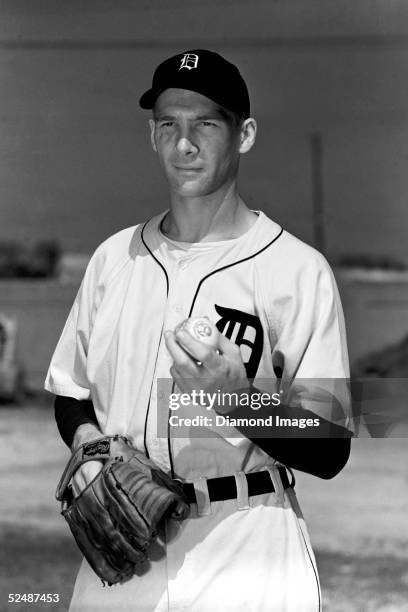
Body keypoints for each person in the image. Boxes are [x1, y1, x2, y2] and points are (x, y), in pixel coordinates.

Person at [45, 49, 353, 612]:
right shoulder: (115, 259)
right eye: (169, 125)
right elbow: (71, 390)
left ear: (245, 134)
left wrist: (234, 400)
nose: (184, 145)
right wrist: (87, 441)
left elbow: (331, 449)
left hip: (246, 541)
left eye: (206, 124)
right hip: (126, 543)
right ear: (152, 135)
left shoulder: (296, 270)